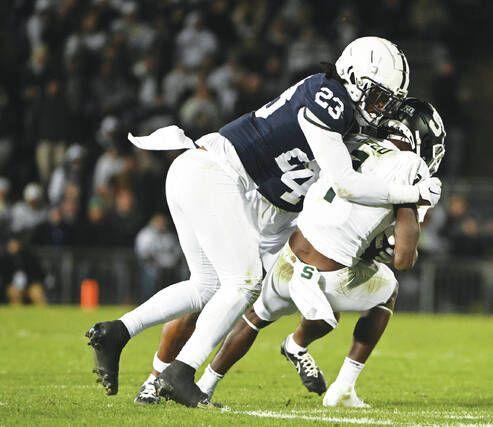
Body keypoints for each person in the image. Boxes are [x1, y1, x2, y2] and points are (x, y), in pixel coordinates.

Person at [86, 37, 441, 407]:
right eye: (378, 98)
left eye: (388, 103)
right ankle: (176, 373)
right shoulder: (329, 98)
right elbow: (345, 184)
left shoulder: (354, 123)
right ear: (353, 78)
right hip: (222, 176)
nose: (380, 110)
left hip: (257, 200)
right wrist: (412, 195)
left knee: (208, 287)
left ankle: (120, 333)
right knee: (241, 283)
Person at [190, 98, 446, 408]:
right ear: (421, 139)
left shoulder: (353, 139)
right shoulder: (411, 166)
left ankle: (204, 385)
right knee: (388, 288)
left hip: (291, 253)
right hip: (328, 275)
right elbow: (403, 260)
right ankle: (330, 374)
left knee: (256, 317)